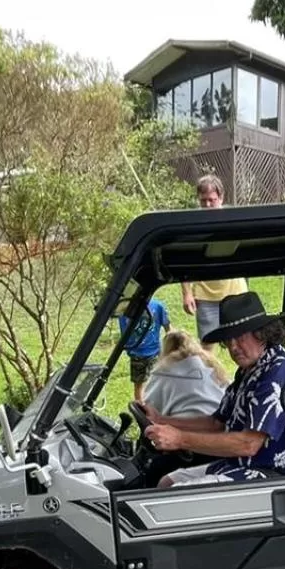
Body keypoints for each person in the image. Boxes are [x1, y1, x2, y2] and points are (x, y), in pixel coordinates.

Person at [143, 292, 285, 485]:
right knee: (167, 482)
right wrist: (162, 420)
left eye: (239, 338)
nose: (233, 347)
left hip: (269, 472)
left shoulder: (277, 372)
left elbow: (248, 444)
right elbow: (216, 423)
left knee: (177, 491)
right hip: (240, 464)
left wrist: (180, 439)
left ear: (262, 333)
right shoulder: (248, 371)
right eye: (229, 341)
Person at [180, 174, 248, 340]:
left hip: (235, 293)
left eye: (212, 200)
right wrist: (186, 293)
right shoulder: (190, 224)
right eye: (203, 201)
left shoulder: (233, 220)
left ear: (221, 198)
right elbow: (183, 259)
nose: (208, 205)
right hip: (205, 296)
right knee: (208, 345)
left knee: (243, 341)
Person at [141, 329, 229, 417]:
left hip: (183, 425)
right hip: (221, 424)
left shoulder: (162, 374)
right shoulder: (213, 369)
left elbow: (150, 409)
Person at [117, 294, 170, 401]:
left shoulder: (157, 306)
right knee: (140, 385)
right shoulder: (125, 308)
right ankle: (142, 411)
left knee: (154, 382)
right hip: (138, 354)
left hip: (155, 352)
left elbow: (169, 329)